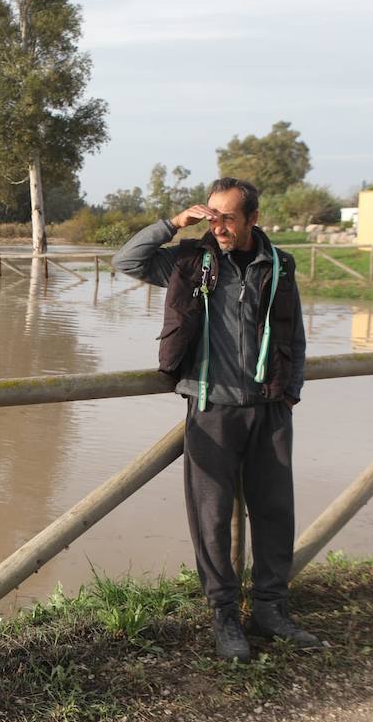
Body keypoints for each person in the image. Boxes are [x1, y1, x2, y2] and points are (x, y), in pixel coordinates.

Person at [112, 177, 321, 662]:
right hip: (211, 409)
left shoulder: (279, 265)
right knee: (211, 519)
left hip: (269, 408)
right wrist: (173, 223)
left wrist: (291, 392)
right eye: (212, 213)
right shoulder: (189, 261)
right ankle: (225, 616)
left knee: (274, 513)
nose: (219, 225)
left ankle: (270, 609)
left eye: (229, 217)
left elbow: (298, 334)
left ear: (252, 219)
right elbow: (127, 260)